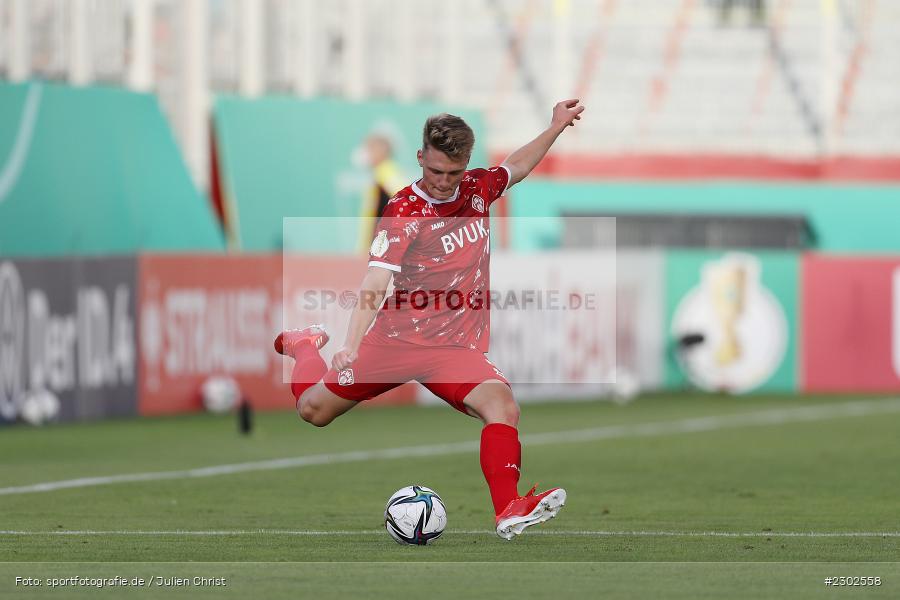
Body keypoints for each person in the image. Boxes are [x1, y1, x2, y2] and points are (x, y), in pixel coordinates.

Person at [275, 99, 585, 540]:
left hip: (453, 349)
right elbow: (375, 283)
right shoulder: (403, 212)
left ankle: (508, 508)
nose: (442, 183)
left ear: (467, 166)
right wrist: (349, 344)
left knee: (502, 405)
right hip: (395, 341)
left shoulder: (478, 189)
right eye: (435, 171)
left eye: (453, 174)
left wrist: (554, 126)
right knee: (312, 410)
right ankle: (305, 346)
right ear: (420, 158)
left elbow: (516, 165)